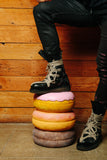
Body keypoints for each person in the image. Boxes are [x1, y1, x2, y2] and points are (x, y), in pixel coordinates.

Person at [30, 0, 107, 151]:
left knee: (105, 66)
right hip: (86, 6)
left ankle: (95, 122)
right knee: (42, 11)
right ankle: (58, 76)